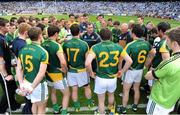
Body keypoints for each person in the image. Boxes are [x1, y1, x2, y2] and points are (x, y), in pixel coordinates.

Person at [85, 28, 132, 114]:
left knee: (101, 101)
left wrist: (91, 73)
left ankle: (102, 113)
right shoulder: (118, 46)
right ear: (110, 36)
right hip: (112, 78)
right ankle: (111, 110)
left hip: (100, 78)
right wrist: (122, 71)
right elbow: (129, 61)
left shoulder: (95, 47)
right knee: (111, 95)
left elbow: (87, 63)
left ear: (100, 36)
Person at [145, 27, 180, 115]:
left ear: (175, 43)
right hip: (171, 100)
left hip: (159, 100)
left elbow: (148, 76)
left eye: (167, 40)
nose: (166, 42)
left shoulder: (169, 62)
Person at [119, 24, 151, 114]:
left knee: (126, 90)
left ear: (133, 33)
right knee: (136, 88)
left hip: (131, 70)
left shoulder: (130, 45)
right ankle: (135, 105)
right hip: (140, 69)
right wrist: (146, 64)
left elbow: (122, 58)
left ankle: (124, 108)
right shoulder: (146, 43)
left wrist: (122, 70)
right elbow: (153, 53)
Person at [16, 27, 49, 114]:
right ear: (40, 36)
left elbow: (19, 68)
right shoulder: (43, 51)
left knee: (34, 103)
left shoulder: (23, 49)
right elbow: (41, 74)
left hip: (26, 81)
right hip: (38, 84)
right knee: (41, 107)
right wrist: (32, 87)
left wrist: (21, 83)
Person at [63, 24, 94, 112]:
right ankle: (89, 103)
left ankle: (77, 106)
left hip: (71, 70)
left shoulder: (66, 44)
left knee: (74, 89)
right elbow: (87, 60)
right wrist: (90, 72)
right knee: (87, 87)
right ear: (79, 32)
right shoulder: (84, 44)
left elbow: (65, 59)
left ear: (71, 32)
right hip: (82, 71)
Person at [42, 25, 70, 114]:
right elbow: (63, 62)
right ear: (56, 34)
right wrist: (65, 70)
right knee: (66, 93)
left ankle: (55, 109)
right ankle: (64, 112)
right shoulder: (57, 45)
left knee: (52, 91)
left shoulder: (43, 44)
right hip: (57, 73)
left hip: (47, 72)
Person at [0, 17, 20, 113]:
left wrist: (11, 64)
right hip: (2, 70)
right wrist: (5, 75)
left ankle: (13, 105)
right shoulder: (0, 39)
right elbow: (0, 59)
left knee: (12, 87)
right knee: (9, 89)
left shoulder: (4, 37)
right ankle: (1, 110)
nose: (9, 27)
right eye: (7, 26)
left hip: (6, 67)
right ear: (1, 27)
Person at [147, 22, 171, 89]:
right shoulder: (168, 41)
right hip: (159, 69)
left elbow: (166, 61)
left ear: (160, 31)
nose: (157, 31)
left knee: (154, 88)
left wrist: (156, 70)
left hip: (157, 70)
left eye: (157, 30)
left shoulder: (163, 43)